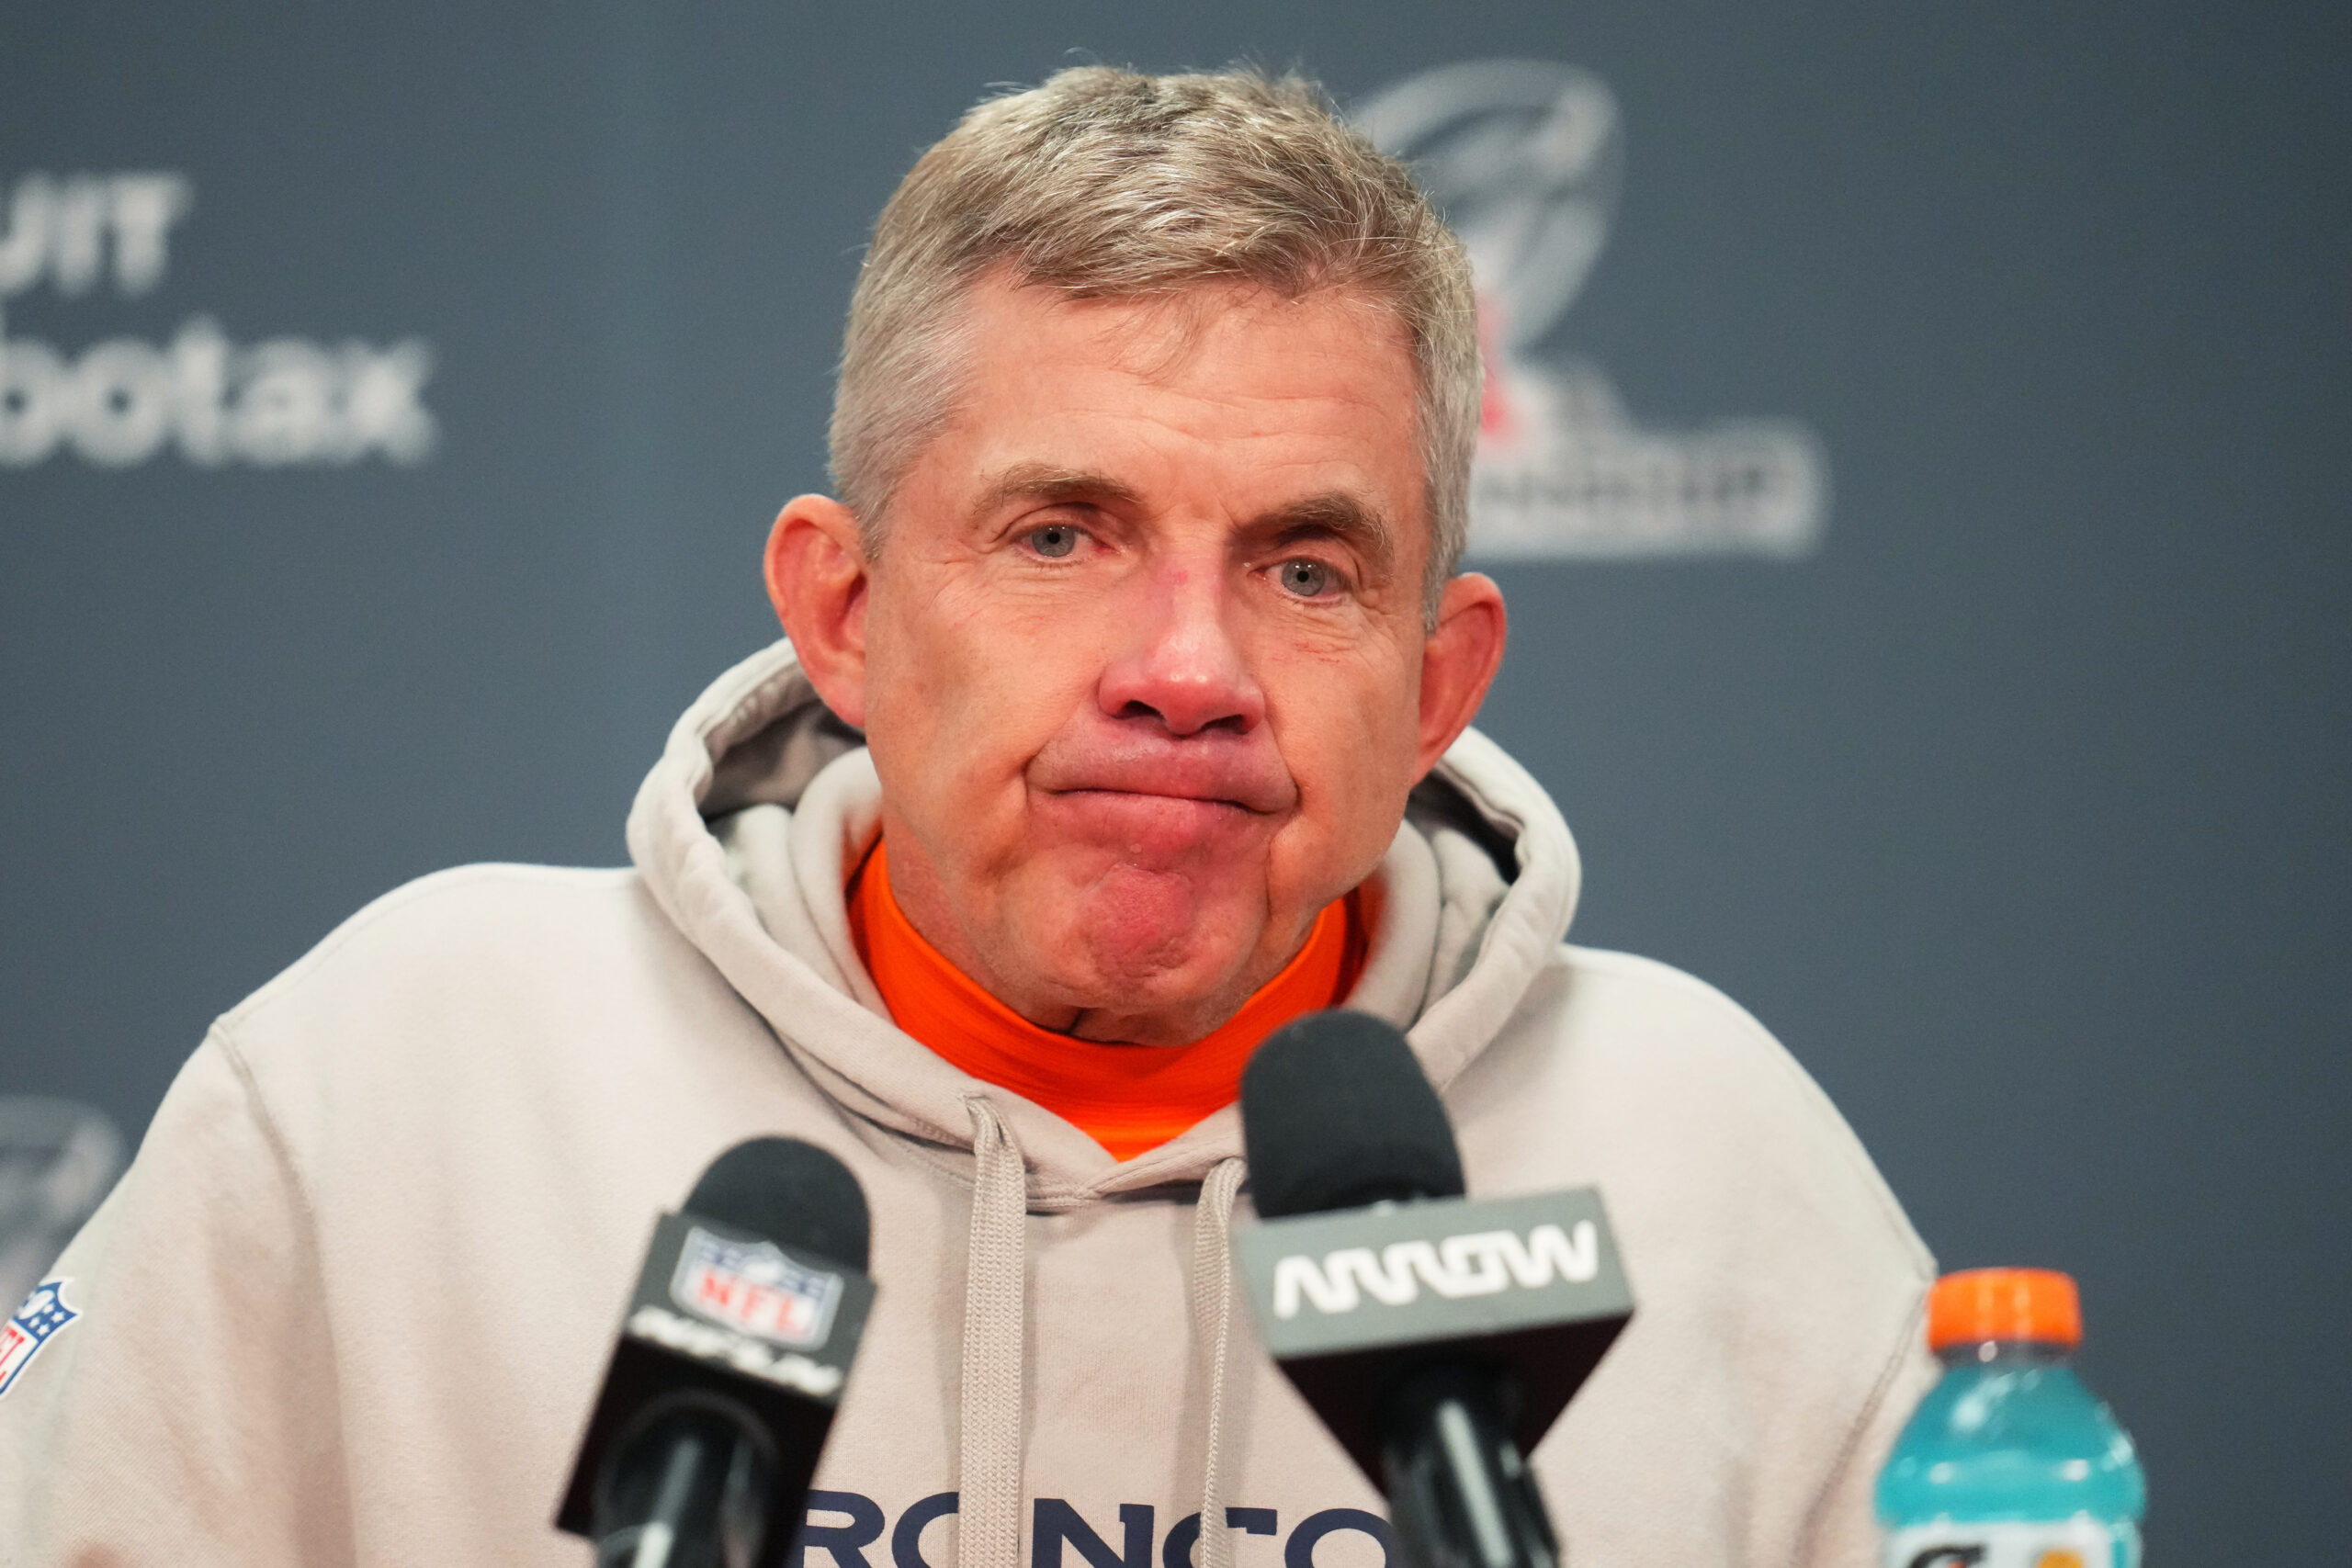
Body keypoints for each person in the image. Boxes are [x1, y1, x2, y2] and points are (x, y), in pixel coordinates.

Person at [0, 67, 1935, 1567]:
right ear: (844, 611)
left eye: (1304, 568)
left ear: (1436, 684)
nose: (1186, 668)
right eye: (1061, 536)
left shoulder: (1710, 1166)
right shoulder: (406, 1080)